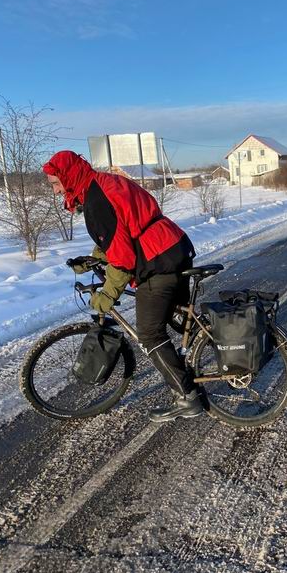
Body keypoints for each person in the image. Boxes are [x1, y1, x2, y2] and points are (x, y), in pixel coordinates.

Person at [43, 150, 203, 422]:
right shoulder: (103, 183)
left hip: (158, 260)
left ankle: (187, 398)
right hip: (172, 246)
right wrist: (93, 259)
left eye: (56, 183)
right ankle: (205, 348)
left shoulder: (96, 198)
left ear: (68, 177)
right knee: (176, 319)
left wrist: (108, 294)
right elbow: (122, 231)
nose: (57, 191)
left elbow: (123, 256)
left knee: (150, 333)